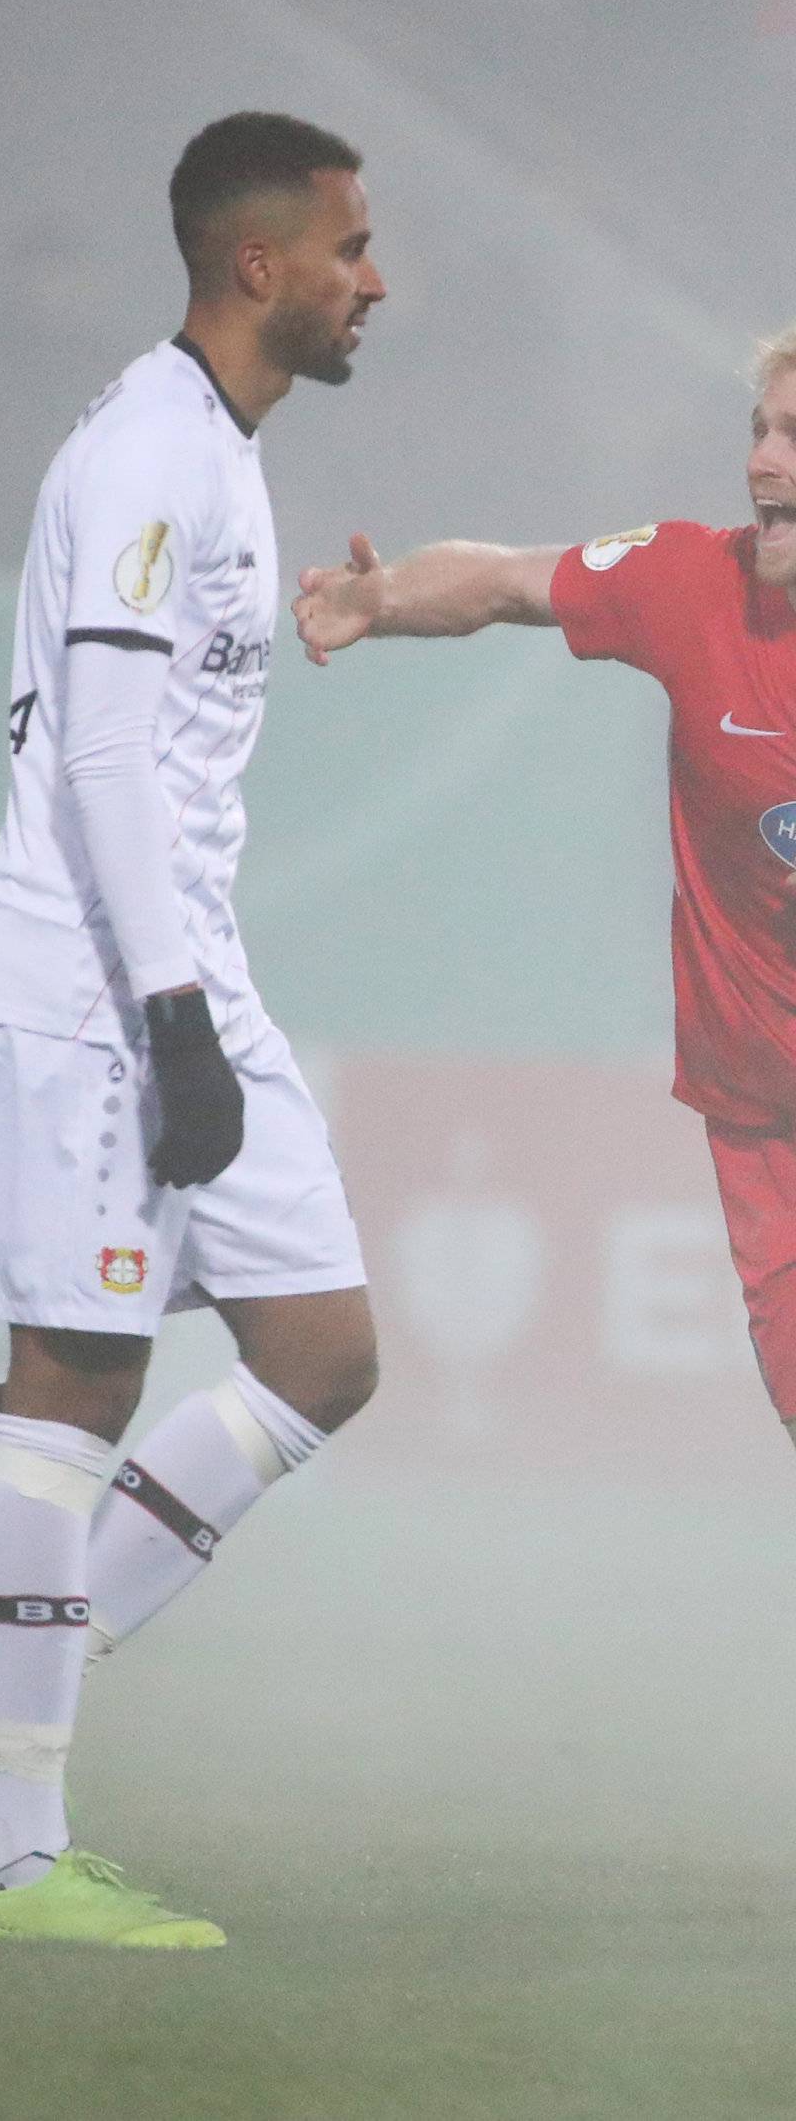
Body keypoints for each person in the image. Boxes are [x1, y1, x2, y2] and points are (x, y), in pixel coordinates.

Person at [0, 114, 387, 1949]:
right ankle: (17, 1853)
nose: (379, 278)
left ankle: (0, 1686)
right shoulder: (148, 449)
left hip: (188, 968)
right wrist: (173, 1016)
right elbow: (102, 753)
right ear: (258, 264)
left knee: (323, 1348)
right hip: (93, 987)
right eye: (354, 245)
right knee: (75, 1388)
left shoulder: (218, 446)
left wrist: (201, 996)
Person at [293, 323, 796, 1444]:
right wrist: (386, 601)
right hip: (766, 1119)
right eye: (759, 431)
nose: (763, 461)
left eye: (795, 438)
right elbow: (509, 581)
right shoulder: (691, 581)